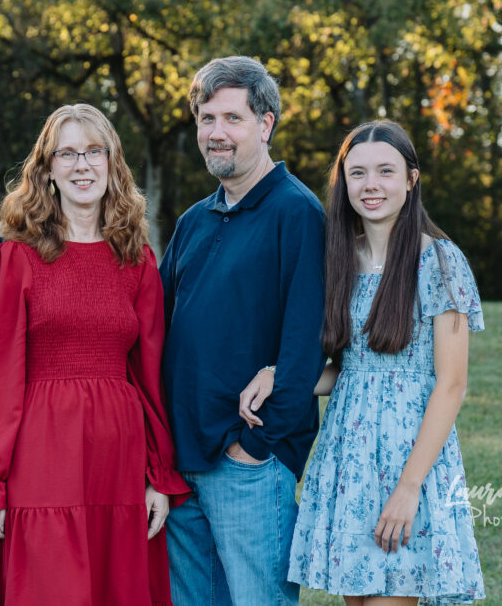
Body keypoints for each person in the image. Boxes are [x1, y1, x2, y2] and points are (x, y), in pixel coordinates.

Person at [0, 103, 190, 606]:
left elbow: (150, 376)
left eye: (93, 151)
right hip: (42, 452)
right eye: (67, 153)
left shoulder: (137, 257)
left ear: (112, 163)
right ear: (47, 169)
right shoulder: (15, 256)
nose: (82, 165)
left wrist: (158, 473)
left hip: (120, 455)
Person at [287, 120, 486, 605]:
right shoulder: (338, 260)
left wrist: (409, 488)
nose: (370, 185)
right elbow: (351, 369)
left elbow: (451, 384)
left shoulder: (440, 261)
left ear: (411, 179)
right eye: (357, 173)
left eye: (385, 171)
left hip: (409, 459)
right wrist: (281, 378)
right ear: (344, 182)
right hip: (348, 457)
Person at [159, 56, 326, 606]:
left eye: (232, 118)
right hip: (183, 464)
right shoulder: (193, 221)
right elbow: (159, 328)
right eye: (207, 119)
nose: (216, 133)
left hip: (248, 464)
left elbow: (307, 341)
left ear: (266, 123)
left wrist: (254, 448)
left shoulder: (297, 213)